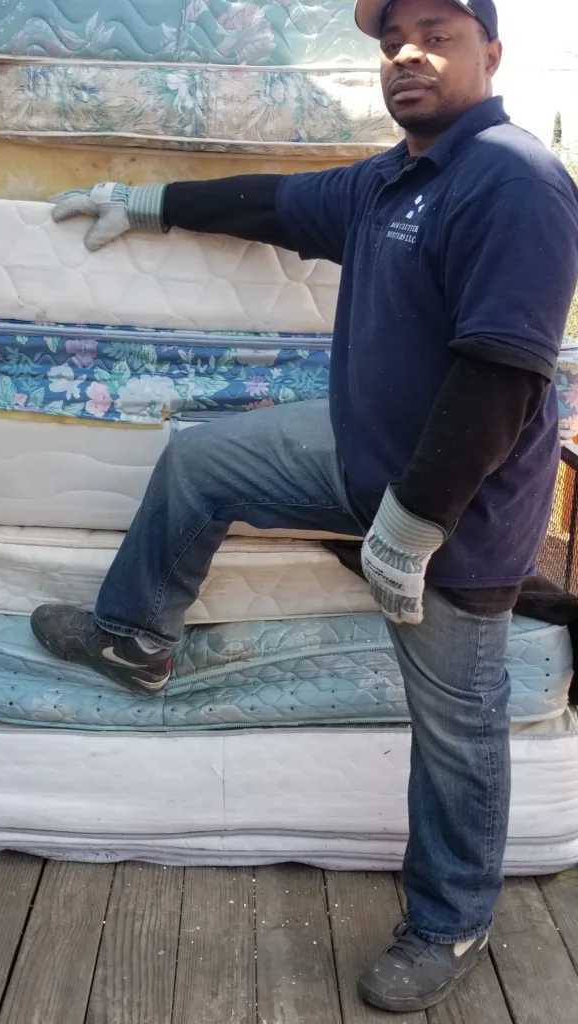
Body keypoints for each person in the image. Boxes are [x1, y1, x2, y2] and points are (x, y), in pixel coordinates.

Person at [31, 0, 578, 1011]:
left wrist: (409, 529)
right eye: (389, 39)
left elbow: (503, 377)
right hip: (360, 454)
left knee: (458, 727)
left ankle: (452, 919)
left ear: (492, 53)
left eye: (436, 31)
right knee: (203, 461)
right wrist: (144, 197)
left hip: (461, 508)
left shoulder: (517, 182)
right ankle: (137, 637)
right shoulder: (386, 182)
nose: (407, 51)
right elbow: (273, 203)